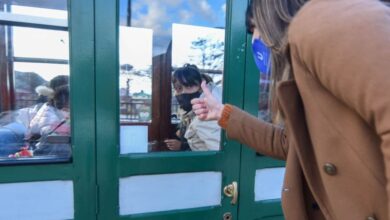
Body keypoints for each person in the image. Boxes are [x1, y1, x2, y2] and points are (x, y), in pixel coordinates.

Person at [192, 0, 390, 219]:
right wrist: (223, 114)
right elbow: (290, 144)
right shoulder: (307, 66)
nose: (255, 40)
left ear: (271, 16)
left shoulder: (325, 22)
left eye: (253, 29)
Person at [165, 64, 222, 151]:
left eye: (189, 86)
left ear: (200, 86)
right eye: (179, 88)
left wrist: (182, 146)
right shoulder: (190, 111)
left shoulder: (207, 113)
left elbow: (217, 153)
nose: (184, 92)